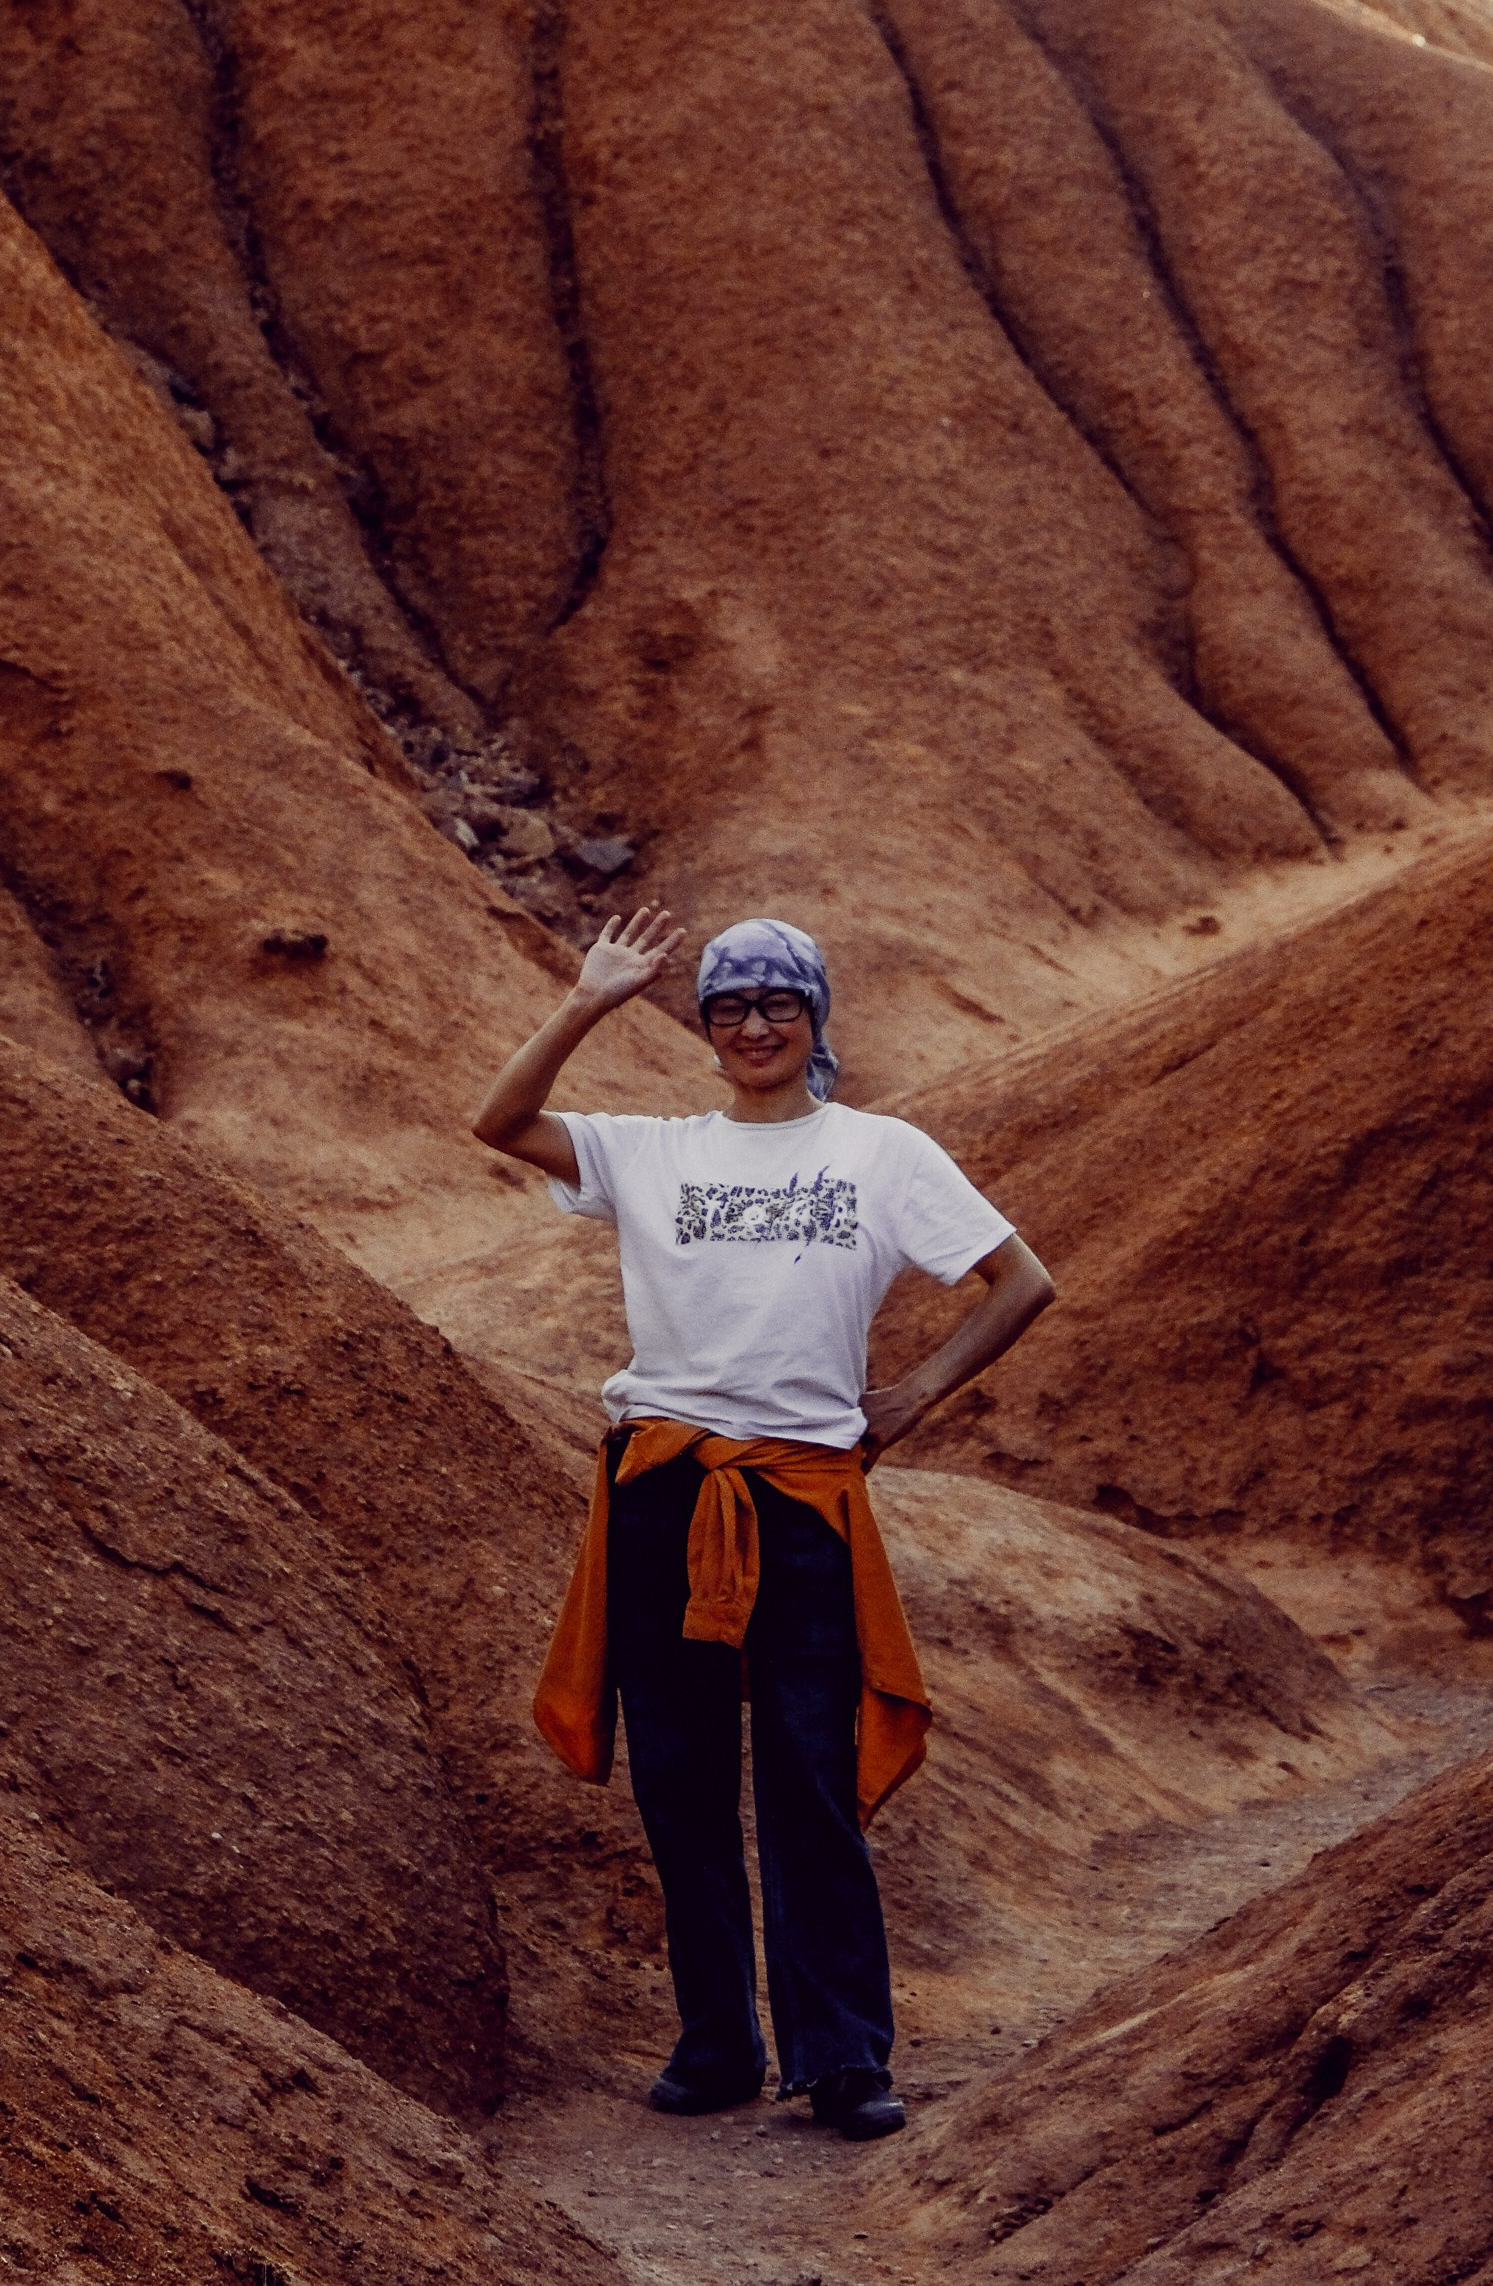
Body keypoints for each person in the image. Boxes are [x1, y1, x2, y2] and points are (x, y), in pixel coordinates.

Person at [473, 908, 1054, 2141]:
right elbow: (498, 1121)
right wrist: (586, 1001)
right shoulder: (648, 1151)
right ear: (703, 1028)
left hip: (798, 1495)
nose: (751, 1025)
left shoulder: (882, 1153)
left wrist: (915, 1392)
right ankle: (717, 2043)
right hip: (661, 1486)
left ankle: (840, 2055)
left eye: (775, 1003)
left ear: (813, 1019)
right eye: (728, 1006)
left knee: (808, 1777)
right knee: (679, 1779)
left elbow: (1021, 1279)